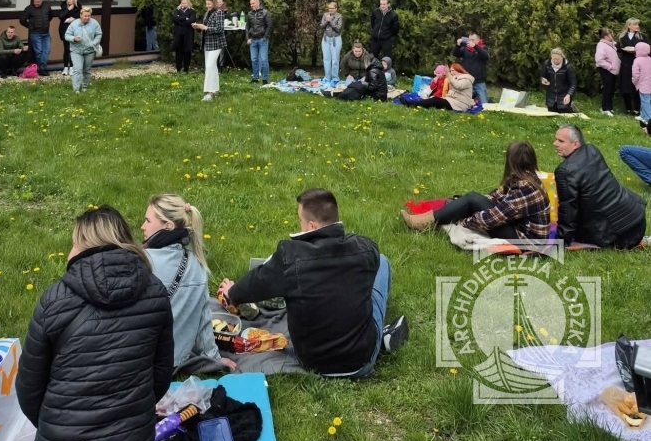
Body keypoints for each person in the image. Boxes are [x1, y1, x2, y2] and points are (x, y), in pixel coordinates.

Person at [16, 205, 173, 441]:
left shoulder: (54, 299)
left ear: (83, 244)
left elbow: (28, 387)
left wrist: (55, 427)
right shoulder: (156, 292)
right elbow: (162, 373)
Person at [217, 188, 402, 378]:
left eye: (300, 220)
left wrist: (232, 292)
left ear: (312, 226)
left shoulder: (289, 258)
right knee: (382, 261)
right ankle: (379, 336)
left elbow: (255, 283)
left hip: (312, 362)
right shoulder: (366, 248)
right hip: (361, 361)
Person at [142, 194, 236, 374]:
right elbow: (203, 320)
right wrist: (214, 359)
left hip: (140, 362)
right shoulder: (197, 264)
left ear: (168, 226)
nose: (142, 226)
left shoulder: (141, 262)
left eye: (148, 221)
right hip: (175, 362)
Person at [401, 140, 551, 240]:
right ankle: (428, 219)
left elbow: (491, 219)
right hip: (518, 228)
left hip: (525, 241)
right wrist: (465, 205)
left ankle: (423, 223)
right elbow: (496, 196)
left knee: (471, 199)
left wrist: (465, 220)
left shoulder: (525, 187)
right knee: (472, 200)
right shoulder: (527, 177)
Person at [553, 125, 646, 248]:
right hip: (636, 218)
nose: (555, 144)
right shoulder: (592, 150)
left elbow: (568, 211)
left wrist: (560, 242)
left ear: (575, 144)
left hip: (618, 235)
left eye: (561, 141)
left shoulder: (565, 171)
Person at [192, 0, 225, 101]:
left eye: (209, 4)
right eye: (206, 4)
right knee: (212, 66)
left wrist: (206, 28)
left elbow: (220, 29)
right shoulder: (207, 13)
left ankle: (209, 92)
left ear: (214, 3)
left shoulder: (219, 13)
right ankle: (215, 89)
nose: (207, 6)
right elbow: (205, 27)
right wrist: (198, 27)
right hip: (207, 43)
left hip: (217, 43)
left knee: (209, 66)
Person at [64, 6, 102, 93]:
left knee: (87, 70)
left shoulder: (94, 23)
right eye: (85, 16)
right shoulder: (74, 24)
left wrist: (94, 43)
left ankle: (85, 87)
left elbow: (99, 34)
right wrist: (74, 39)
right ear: (81, 15)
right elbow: (66, 35)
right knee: (77, 69)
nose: (87, 18)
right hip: (76, 51)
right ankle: (76, 89)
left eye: (89, 16)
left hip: (89, 51)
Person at [618, 19, 647, 116]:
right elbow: (618, 48)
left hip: (637, 62)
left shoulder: (642, 36)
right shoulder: (622, 37)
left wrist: (636, 50)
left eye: (638, 24)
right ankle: (628, 108)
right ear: (629, 26)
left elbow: (647, 48)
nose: (637, 26)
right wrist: (624, 49)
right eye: (635, 24)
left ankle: (637, 109)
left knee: (637, 87)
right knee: (625, 86)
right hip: (626, 64)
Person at [21, 0, 54, 75]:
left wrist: (46, 23)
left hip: (46, 33)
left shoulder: (47, 6)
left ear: (41, 1)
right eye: (35, 2)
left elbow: (50, 16)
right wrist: (30, 26)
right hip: (35, 33)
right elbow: (22, 20)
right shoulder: (29, 9)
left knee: (46, 51)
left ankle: (42, 67)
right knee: (39, 51)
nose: (36, 3)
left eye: (38, 2)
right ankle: (42, 68)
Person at [453, 33, 489, 105]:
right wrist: (457, 45)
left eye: (473, 40)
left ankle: (477, 97)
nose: (470, 41)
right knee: (460, 102)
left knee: (484, 104)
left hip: (478, 82)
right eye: (469, 40)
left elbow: (485, 56)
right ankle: (472, 98)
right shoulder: (465, 48)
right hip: (467, 81)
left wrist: (475, 46)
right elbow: (456, 54)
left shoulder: (482, 48)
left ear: (478, 40)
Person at [540, 48, 576, 114]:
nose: (556, 61)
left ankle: (572, 106)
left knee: (564, 113)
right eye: (554, 59)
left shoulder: (568, 66)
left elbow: (573, 84)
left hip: (564, 96)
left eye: (558, 59)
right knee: (551, 113)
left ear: (562, 57)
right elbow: (542, 76)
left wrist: (569, 95)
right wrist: (543, 80)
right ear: (551, 57)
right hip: (551, 96)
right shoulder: (546, 64)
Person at [595, 27, 620, 116]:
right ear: (606, 36)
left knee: (611, 88)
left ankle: (609, 107)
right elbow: (599, 60)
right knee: (607, 88)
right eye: (610, 34)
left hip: (612, 71)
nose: (612, 36)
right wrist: (610, 67)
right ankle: (605, 108)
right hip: (606, 70)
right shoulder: (601, 45)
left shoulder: (610, 44)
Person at [246, 0, 271, 86]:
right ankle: (255, 78)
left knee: (264, 60)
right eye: (250, 4)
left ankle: (265, 79)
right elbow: (247, 26)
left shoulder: (265, 12)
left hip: (262, 39)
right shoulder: (250, 14)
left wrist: (265, 37)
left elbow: (269, 26)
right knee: (254, 60)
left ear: (258, 3)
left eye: (253, 3)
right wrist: (248, 38)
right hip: (253, 40)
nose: (251, 5)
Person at [58, 0, 80, 76]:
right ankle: (65, 67)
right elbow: (61, 17)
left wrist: (74, 19)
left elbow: (80, 18)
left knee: (73, 49)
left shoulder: (78, 8)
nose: (69, 0)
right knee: (66, 49)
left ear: (74, 0)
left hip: (74, 31)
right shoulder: (64, 7)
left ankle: (71, 67)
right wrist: (68, 10)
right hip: (64, 30)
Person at [320, 2, 343, 82]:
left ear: (336, 8)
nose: (331, 10)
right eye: (329, 8)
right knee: (326, 59)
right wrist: (326, 21)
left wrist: (331, 22)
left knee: (335, 60)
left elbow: (338, 29)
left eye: (332, 8)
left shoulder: (339, 16)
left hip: (335, 39)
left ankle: (335, 77)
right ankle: (327, 77)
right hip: (326, 39)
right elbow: (321, 26)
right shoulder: (325, 15)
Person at [172, 0, 196, 73]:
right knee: (178, 52)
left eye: (185, 3)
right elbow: (175, 19)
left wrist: (180, 20)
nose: (183, 4)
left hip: (188, 35)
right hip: (178, 35)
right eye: (182, 3)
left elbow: (192, 20)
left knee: (187, 52)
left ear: (188, 3)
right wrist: (186, 18)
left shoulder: (192, 11)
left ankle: (186, 69)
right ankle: (178, 69)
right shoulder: (177, 10)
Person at [632, 41, 651, 126]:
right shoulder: (650, 59)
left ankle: (648, 119)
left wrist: (634, 82)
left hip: (643, 84)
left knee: (645, 101)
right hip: (649, 83)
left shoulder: (637, 60)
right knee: (644, 100)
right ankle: (642, 115)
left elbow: (635, 74)